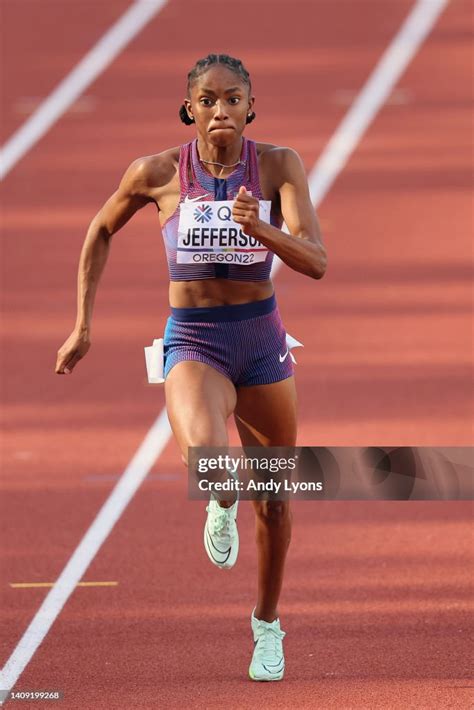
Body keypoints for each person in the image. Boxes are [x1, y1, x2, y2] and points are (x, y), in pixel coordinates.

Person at [55, 53, 327, 682]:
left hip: (262, 341)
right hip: (197, 341)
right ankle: (220, 499)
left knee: (278, 502)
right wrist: (83, 324)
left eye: (233, 99)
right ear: (190, 109)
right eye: (207, 100)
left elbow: (315, 260)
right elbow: (100, 229)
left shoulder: (279, 166)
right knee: (212, 465)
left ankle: (266, 625)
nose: (220, 110)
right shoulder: (156, 173)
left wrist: (263, 230)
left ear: (251, 107)